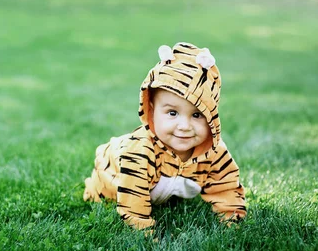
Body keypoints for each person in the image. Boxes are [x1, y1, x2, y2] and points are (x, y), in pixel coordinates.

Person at [83, 42, 247, 231]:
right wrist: (143, 230)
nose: (184, 126)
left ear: (211, 117)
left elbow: (226, 187)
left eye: (197, 115)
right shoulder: (139, 151)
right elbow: (133, 207)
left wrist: (232, 219)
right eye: (172, 113)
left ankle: (163, 190)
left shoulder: (214, 153)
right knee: (107, 194)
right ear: (152, 111)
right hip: (114, 175)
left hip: (165, 179)